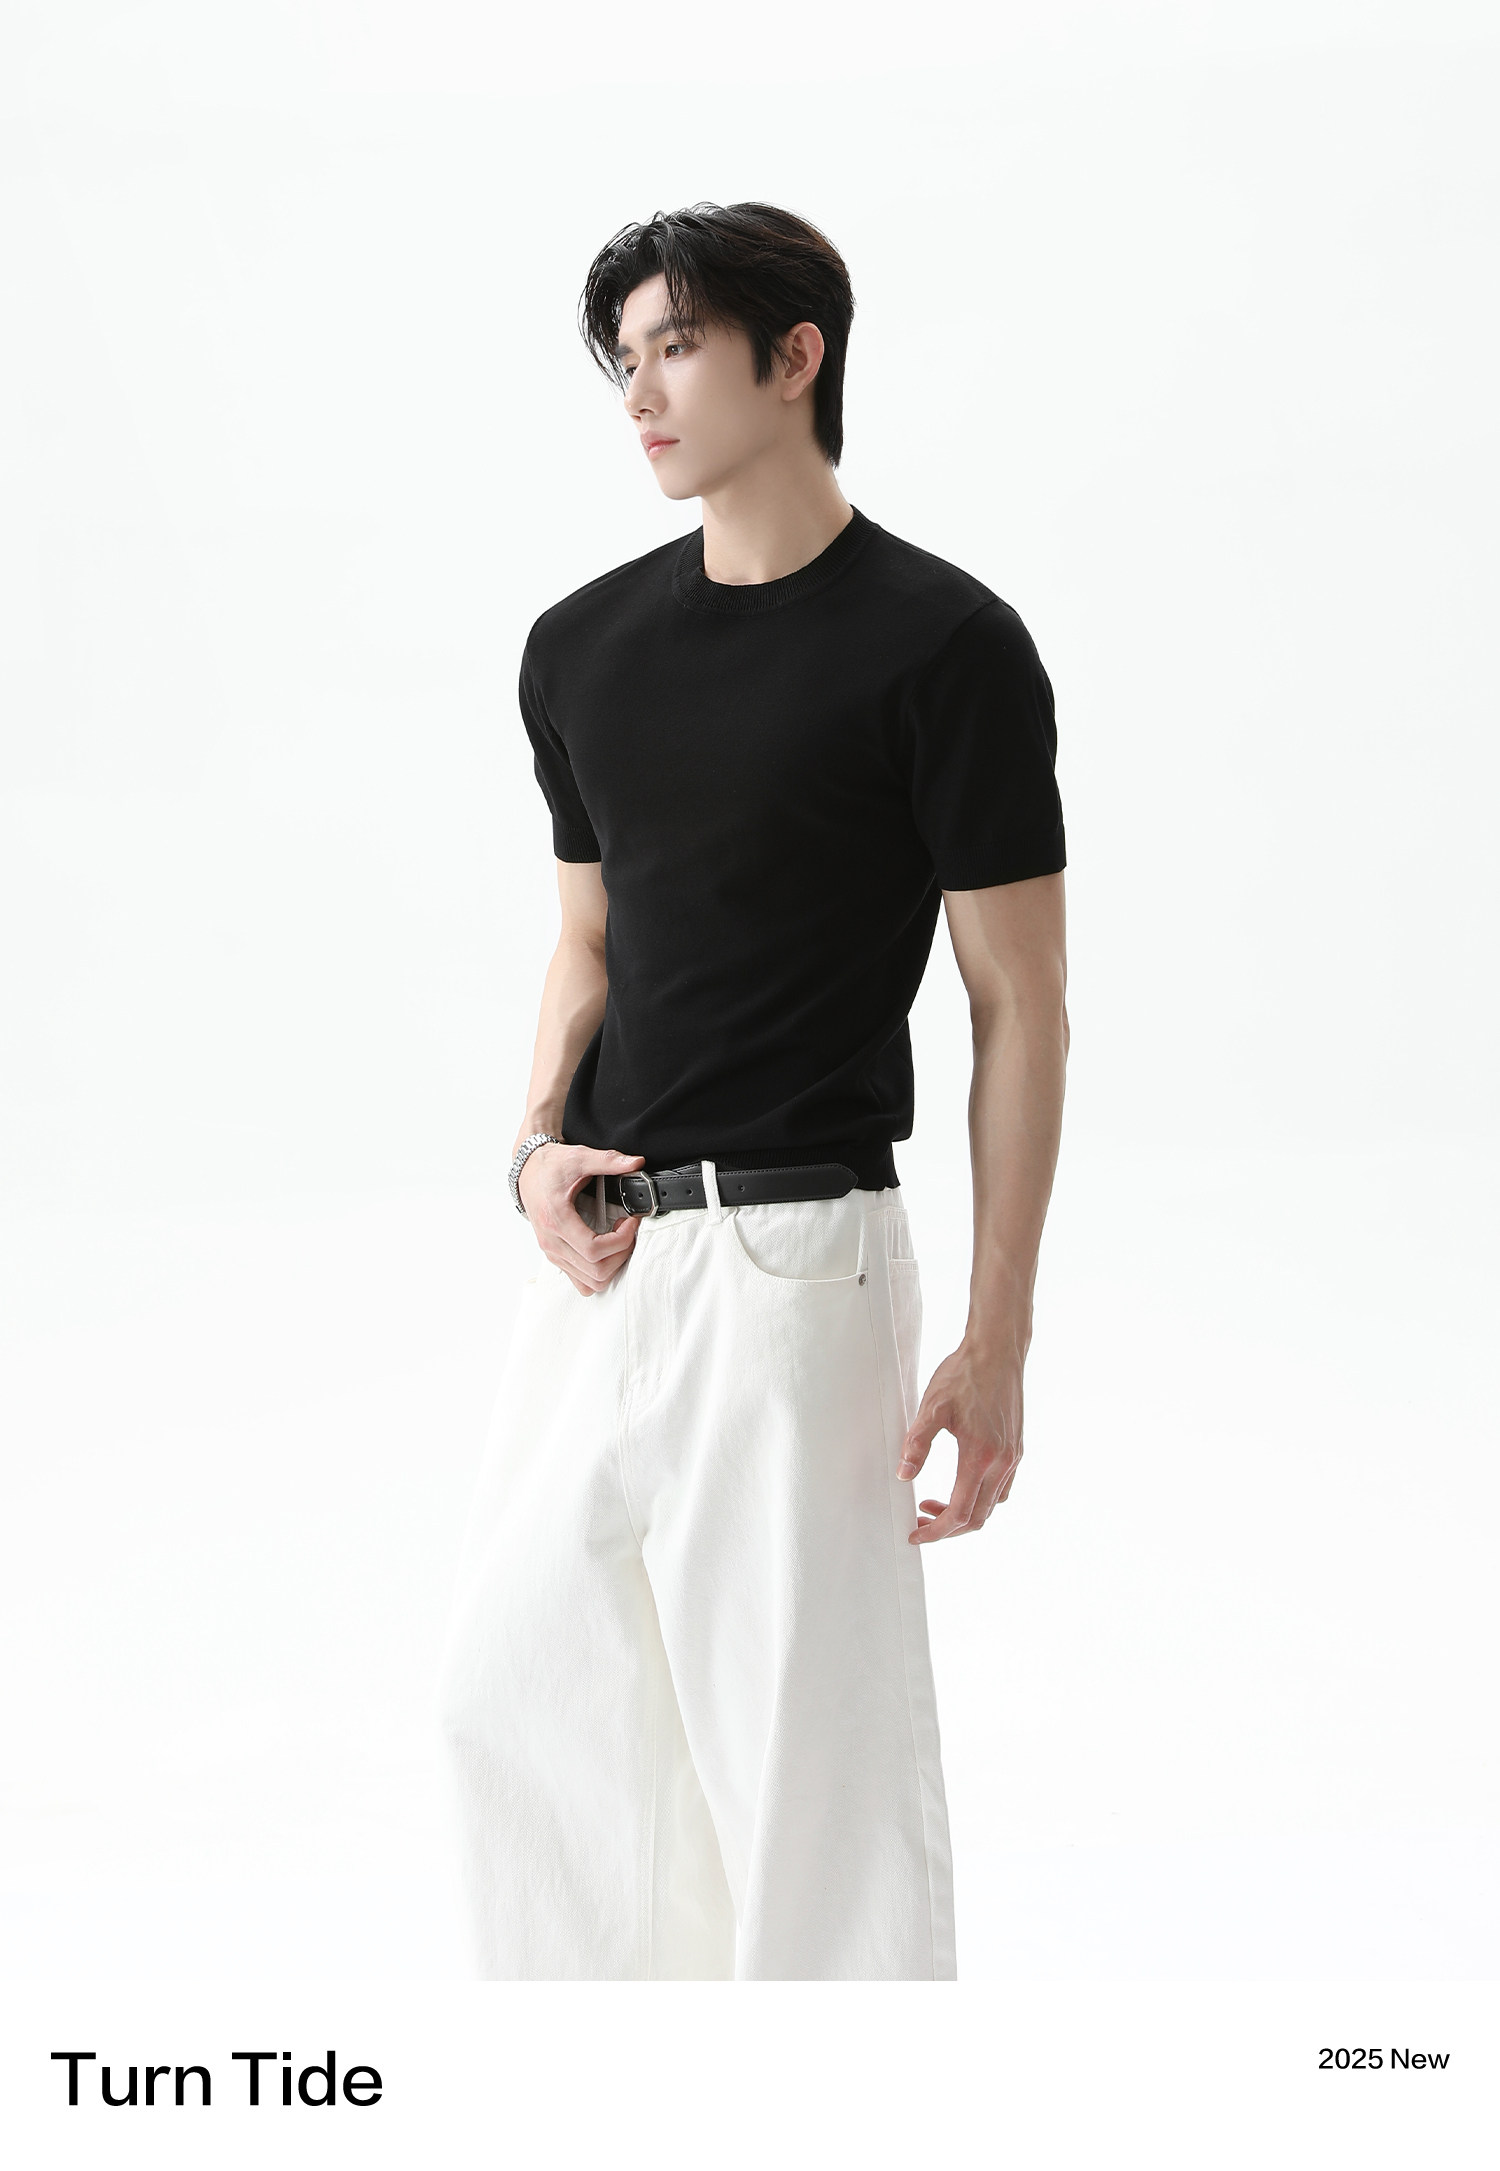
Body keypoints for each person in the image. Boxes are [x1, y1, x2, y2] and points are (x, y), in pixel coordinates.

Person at [436, 200, 1069, 1981]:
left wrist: (998, 1335)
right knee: (521, 1715)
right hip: (605, 1256)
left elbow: (1021, 1009)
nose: (640, 394)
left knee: (810, 1780)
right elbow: (588, 938)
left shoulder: (946, 645)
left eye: (678, 349)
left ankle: (841, 2102)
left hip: (803, 1264)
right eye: (623, 360)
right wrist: (533, 1145)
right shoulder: (581, 648)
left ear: (797, 359)